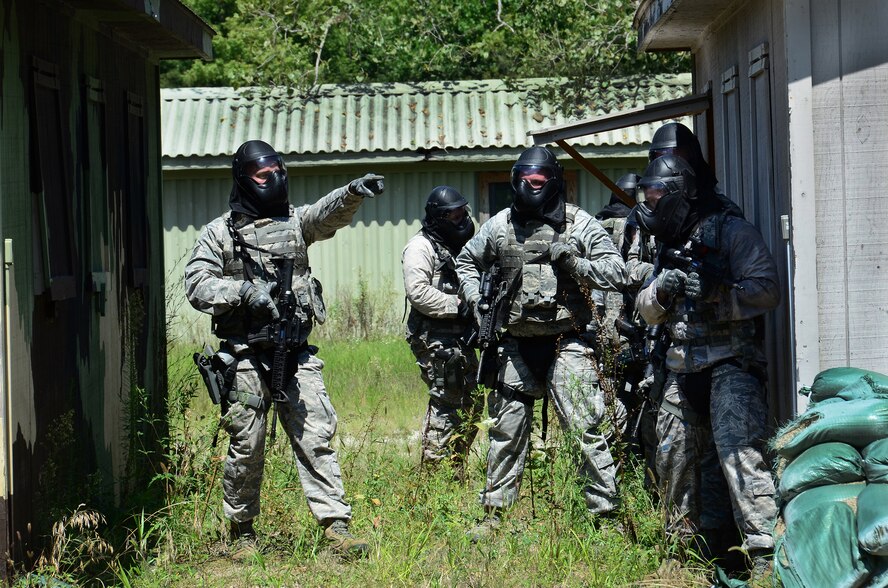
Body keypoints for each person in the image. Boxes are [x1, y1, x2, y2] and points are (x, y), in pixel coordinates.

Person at [184, 139, 384, 559]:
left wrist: (352, 192)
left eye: (279, 171)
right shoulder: (220, 233)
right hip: (245, 356)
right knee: (247, 442)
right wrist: (242, 292)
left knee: (316, 435)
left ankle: (336, 529)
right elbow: (197, 286)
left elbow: (325, 215)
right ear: (243, 179)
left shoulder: (295, 223)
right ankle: (241, 534)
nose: (274, 180)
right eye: (263, 174)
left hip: (296, 353)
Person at [454, 145, 628, 540]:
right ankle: (494, 518)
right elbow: (466, 262)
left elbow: (616, 271)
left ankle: (606, 520)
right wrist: (477, 302)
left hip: (567, 343)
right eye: (522, 180)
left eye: (536, 181)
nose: (528, 187)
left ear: (552, 182)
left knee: (586, 430)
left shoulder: (579, 223)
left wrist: (574, 263)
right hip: (515, 344)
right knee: (506, 432)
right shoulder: (499, 225)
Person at [634, 151, 779, 577]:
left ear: (680, 191)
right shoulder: (666, 241)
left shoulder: (732, 231)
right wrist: (662, 290)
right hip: (680, 368)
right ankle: (685, 559)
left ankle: (766, 559)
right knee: (672, 459)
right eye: (647, 192)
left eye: (657, 192)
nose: (650, 201)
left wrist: (719, 290)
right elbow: (644, 309)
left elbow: (767, 290)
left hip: (730, 365)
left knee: (741, 456)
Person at [402, 186, 481, 478]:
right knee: (447, 400)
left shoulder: (462, 248)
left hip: (461, 337)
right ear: (438, 217)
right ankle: (433, 476)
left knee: (474, 402)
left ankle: (455, 468)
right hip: (433, 336)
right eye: (454, 214)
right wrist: (456, 304)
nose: (462, 219)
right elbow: (418, 293)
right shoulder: (420, 247)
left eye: (464, 212)